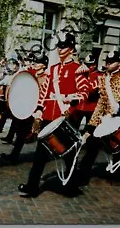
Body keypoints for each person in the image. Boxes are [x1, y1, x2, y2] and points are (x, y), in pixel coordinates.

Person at [18, 32, 89, 198]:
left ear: (71, 48)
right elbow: (44, 92)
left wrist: (70, 108)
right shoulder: (53, 70)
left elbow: (84, 93)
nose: (59, 49)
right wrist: (40, 109)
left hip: (64, 118)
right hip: (49, 116)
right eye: (58, 46)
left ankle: (71, 186)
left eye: (63, 46)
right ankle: (32, 186)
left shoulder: (77, 69)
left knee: (69, 154)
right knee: (40, 154)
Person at [76, 50, 120, 186]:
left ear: (119, 63)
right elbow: (100, 102)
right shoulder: (102, 78)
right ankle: (83, 174)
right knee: (92, 146)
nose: (109, 64)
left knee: (117, 148)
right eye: (107, 62)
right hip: (102, 118)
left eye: (112, 62)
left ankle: (117, 174)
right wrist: (92, 125)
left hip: (117, 118)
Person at [0, 54, 49, 164]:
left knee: (35, 135)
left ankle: (19, 156)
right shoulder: (30, 74)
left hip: (36, 109)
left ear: (44, 66)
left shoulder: (45, 78)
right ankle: (14, 156)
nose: (35, 64)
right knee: (21, 133)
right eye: (35, 62)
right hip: (27, 107)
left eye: (38, 63)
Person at [74, 54, 102, 132]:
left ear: (94, 65)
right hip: (81, 105)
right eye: (87, 65)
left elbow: (93, 88)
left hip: (92, 105)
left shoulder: (98, 75)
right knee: (74, 125)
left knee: (90, 128)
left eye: (90, 65)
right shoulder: (82, 73)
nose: (88, 67)